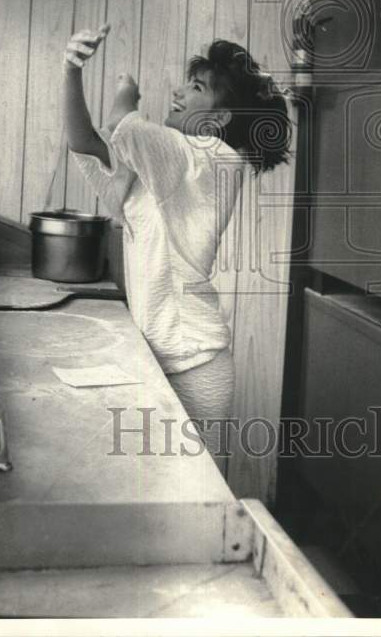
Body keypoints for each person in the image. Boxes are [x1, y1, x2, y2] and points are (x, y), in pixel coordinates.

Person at [63, 24, 291, 465]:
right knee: (164, 489)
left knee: (187, 495)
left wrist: (126, 92)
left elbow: (119, 124)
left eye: (197, 87)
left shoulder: (211, 157)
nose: (180, 92)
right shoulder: (170, 163)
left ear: (220, 118)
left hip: (193, 363)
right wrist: (70, 69)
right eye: (188, 82)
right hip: (166, 351)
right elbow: (87, 142)